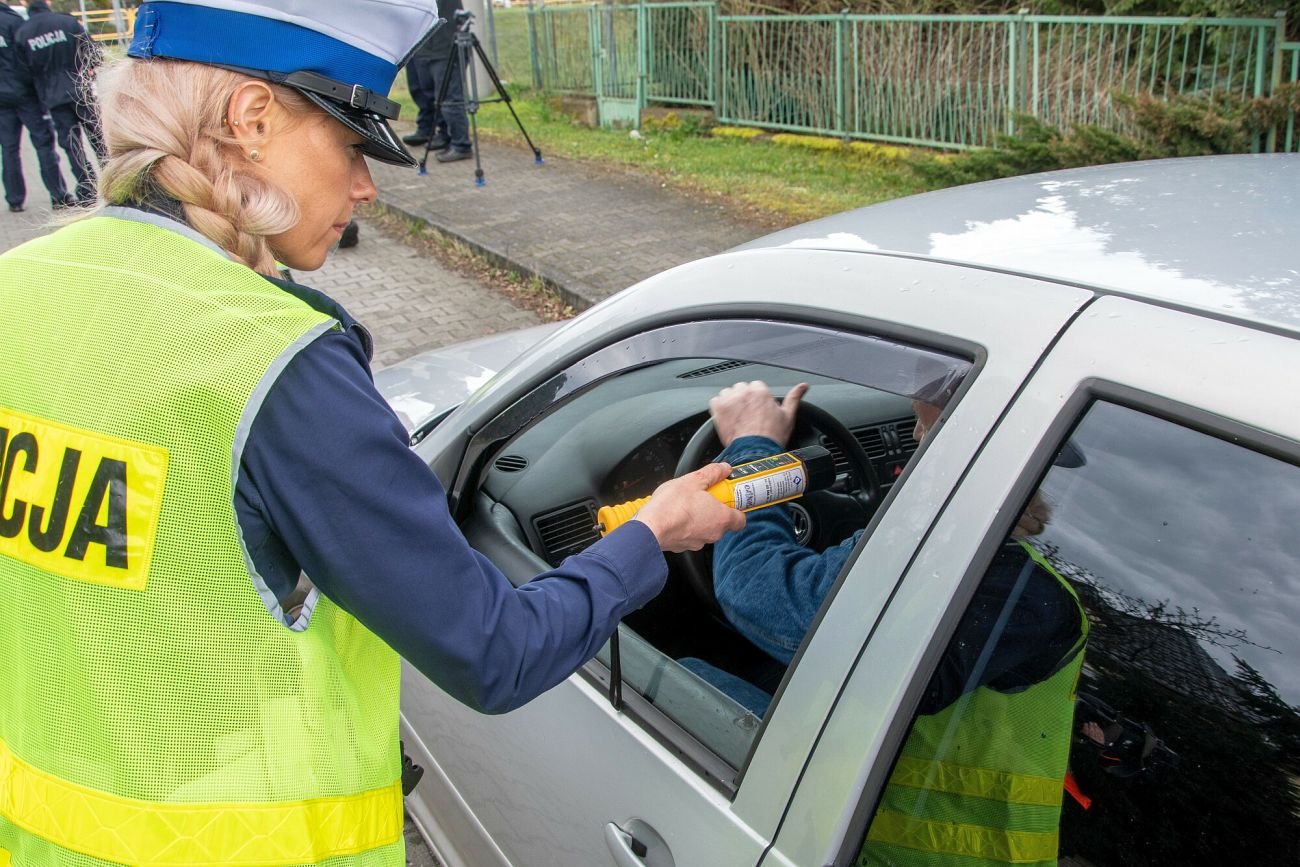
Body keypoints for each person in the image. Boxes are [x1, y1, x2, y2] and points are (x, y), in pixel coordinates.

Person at [0, 2, 743, 864]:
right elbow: (493, 652)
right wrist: (653, 533)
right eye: (353, 146)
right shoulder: (273, 359)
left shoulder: (20, 288)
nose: (365, 187)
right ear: (252, 120)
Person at [703, 381, 1088, 866]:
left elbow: (758, 588)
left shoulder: (1003, 582)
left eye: (926, 427)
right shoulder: (997, 558)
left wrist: (753, 448)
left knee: (683, 677)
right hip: (886, 813)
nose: (914, 439)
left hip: (888, 845)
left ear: (979, 449)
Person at [15, 0, 104, 203]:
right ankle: (113, 181)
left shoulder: (23, 34)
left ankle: (87, 188)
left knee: (71, 144)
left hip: (53, 97)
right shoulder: (67, 23)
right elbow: (93, 52)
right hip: (80, 90)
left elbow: (23, 73)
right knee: (99, 139)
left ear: (24, 2)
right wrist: (87, 70)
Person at [0, 2, 73, 211]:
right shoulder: (14, 22)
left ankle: (15, 200)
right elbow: (28, 58)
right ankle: (58, 194)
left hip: (2, 100)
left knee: (9, 148)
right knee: (44, 145)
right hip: (26, 95)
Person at [412, 0, 473, 163]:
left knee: (449, 99)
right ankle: (444, 134)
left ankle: (461, 145)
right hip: (425, 46)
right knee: (431, 95)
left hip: (446, 46)